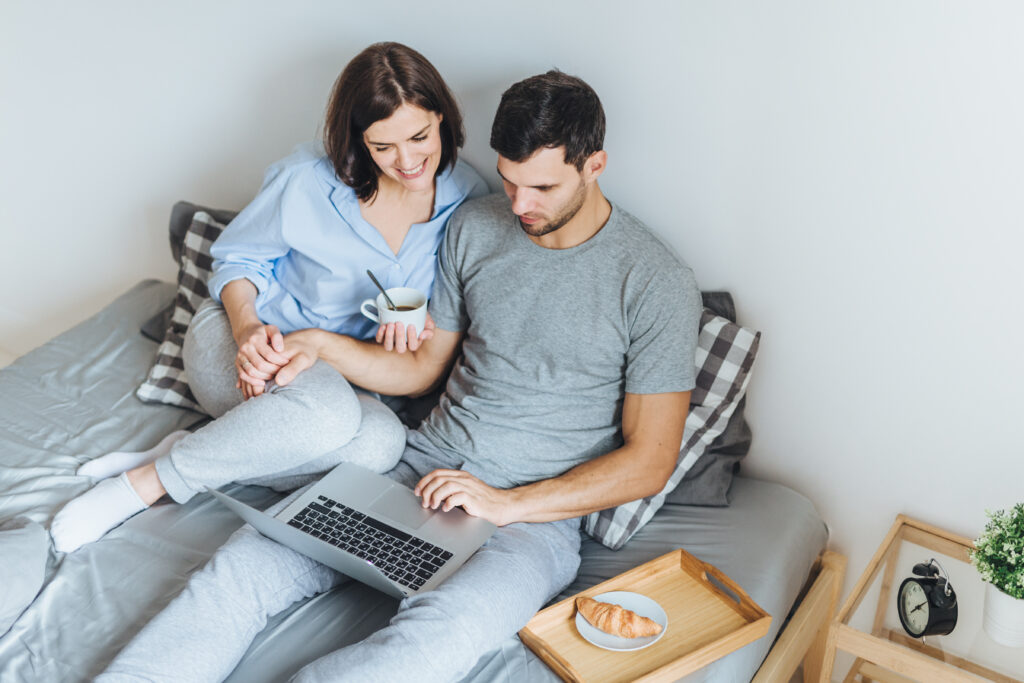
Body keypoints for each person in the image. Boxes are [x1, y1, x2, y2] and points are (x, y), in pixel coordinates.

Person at [99, 70, 701, 682]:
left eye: (542, 187)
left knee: (430, 649)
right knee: (240, 571)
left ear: (594, 164)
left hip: (533, 521)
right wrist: (314, 346)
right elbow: (418, 372)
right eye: (510, 180)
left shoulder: (655, 283)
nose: (519, 205)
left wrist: (508, 504)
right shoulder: (476, 227)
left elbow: (650, 459)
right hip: (416, 470)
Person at [50, 42, 487, 554]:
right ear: (357, 138)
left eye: (419, 137)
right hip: (247, 342)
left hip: (342, 376)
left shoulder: (468, 203)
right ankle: (140, 486)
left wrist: (415, 323)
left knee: (381, 445)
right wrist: (248, 329)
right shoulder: (305, 179)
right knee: (327, 417)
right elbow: (237, 261)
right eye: (382, 146)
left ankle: (200, 449)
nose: (407, 161)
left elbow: (442, 311)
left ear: (442, 117)